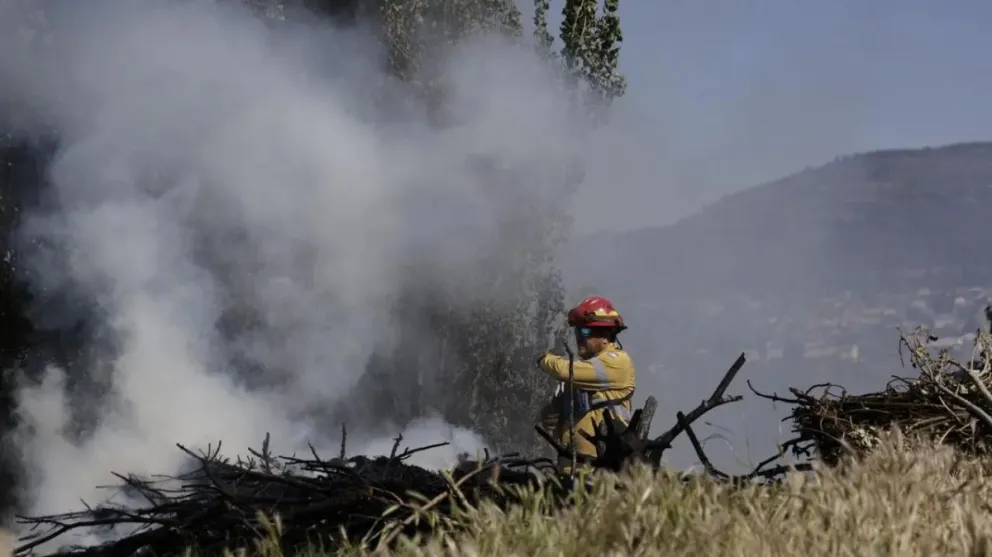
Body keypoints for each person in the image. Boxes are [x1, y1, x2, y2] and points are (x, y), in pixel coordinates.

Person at [536, 296, 636, 469]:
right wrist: (553, 416)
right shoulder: (585, 373)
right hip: (574, 466)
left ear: (605, 335)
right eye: (577, 332)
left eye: (586, 332)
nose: (579, 338)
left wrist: (544, 359)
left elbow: (563, 370)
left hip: (605, 469)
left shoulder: (617, 361)